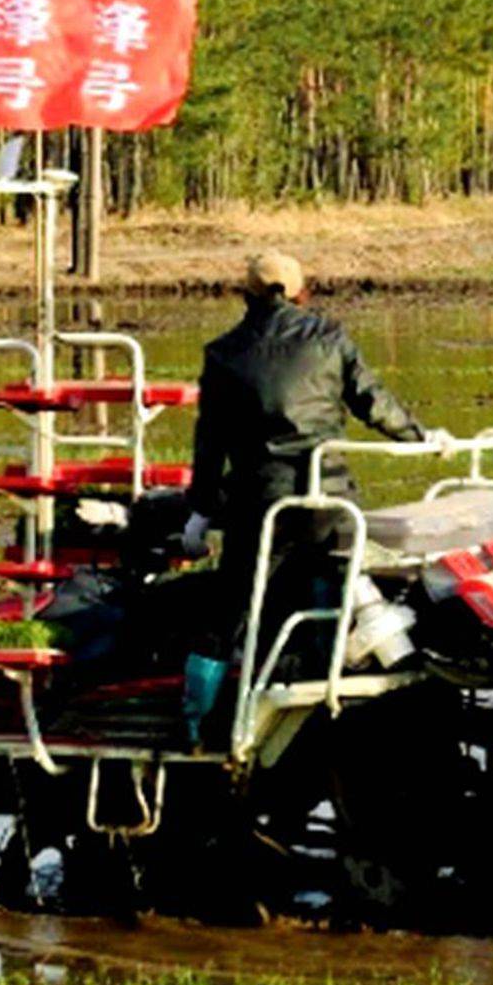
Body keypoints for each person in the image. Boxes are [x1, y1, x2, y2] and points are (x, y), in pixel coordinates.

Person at [187, 250, 427, 693]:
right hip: (331, 501)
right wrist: (423, 438)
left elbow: (210, 441)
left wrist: (200, 510)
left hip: (260, 505)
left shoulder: (222, 354)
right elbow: (374, 402)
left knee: (230, 608)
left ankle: (196, 716)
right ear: (303, 292)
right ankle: (327, 678)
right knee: (337, 577)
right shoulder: (330, 339)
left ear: (246, 296)